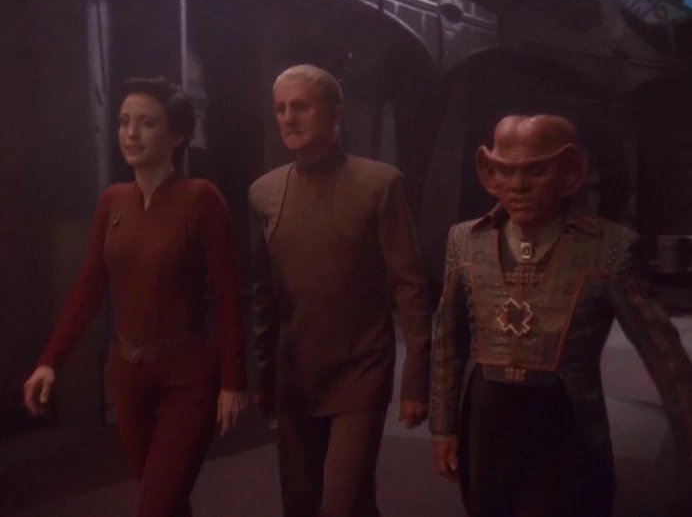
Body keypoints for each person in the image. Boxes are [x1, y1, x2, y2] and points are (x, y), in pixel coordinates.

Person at [429, 114, 692, 517]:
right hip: (487, 423)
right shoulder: (466, 240)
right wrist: (444, 426)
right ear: (488, 171)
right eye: (505, 170)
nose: (517, 185)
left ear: (569, 171)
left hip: (566, 424)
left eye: (535, 170)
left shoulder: (610, 247)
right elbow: (449, 339)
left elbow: (663, 354)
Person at [23, 77, 247, 517]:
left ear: (177, 135)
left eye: (147, 123)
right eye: (125, 121)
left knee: (155, 506)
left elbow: (227, 294)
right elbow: (89, 286)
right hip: (127, 377)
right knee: (165, 500)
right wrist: (50, 361)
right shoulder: (112, 201)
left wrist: (233, 381)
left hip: (187, 378)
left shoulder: (201, 198)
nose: (131, 133)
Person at [249, 64, 431, 517]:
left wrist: (417, 379)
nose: (289, 118)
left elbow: (410, 285)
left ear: (336, 113)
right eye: (280, 108)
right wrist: (264, 372)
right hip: (296, 372)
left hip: (360, 368)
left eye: (301, 106)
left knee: (342, 503)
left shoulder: (379, 184)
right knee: (302, 501)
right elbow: (264, 293)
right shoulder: (265, 192)